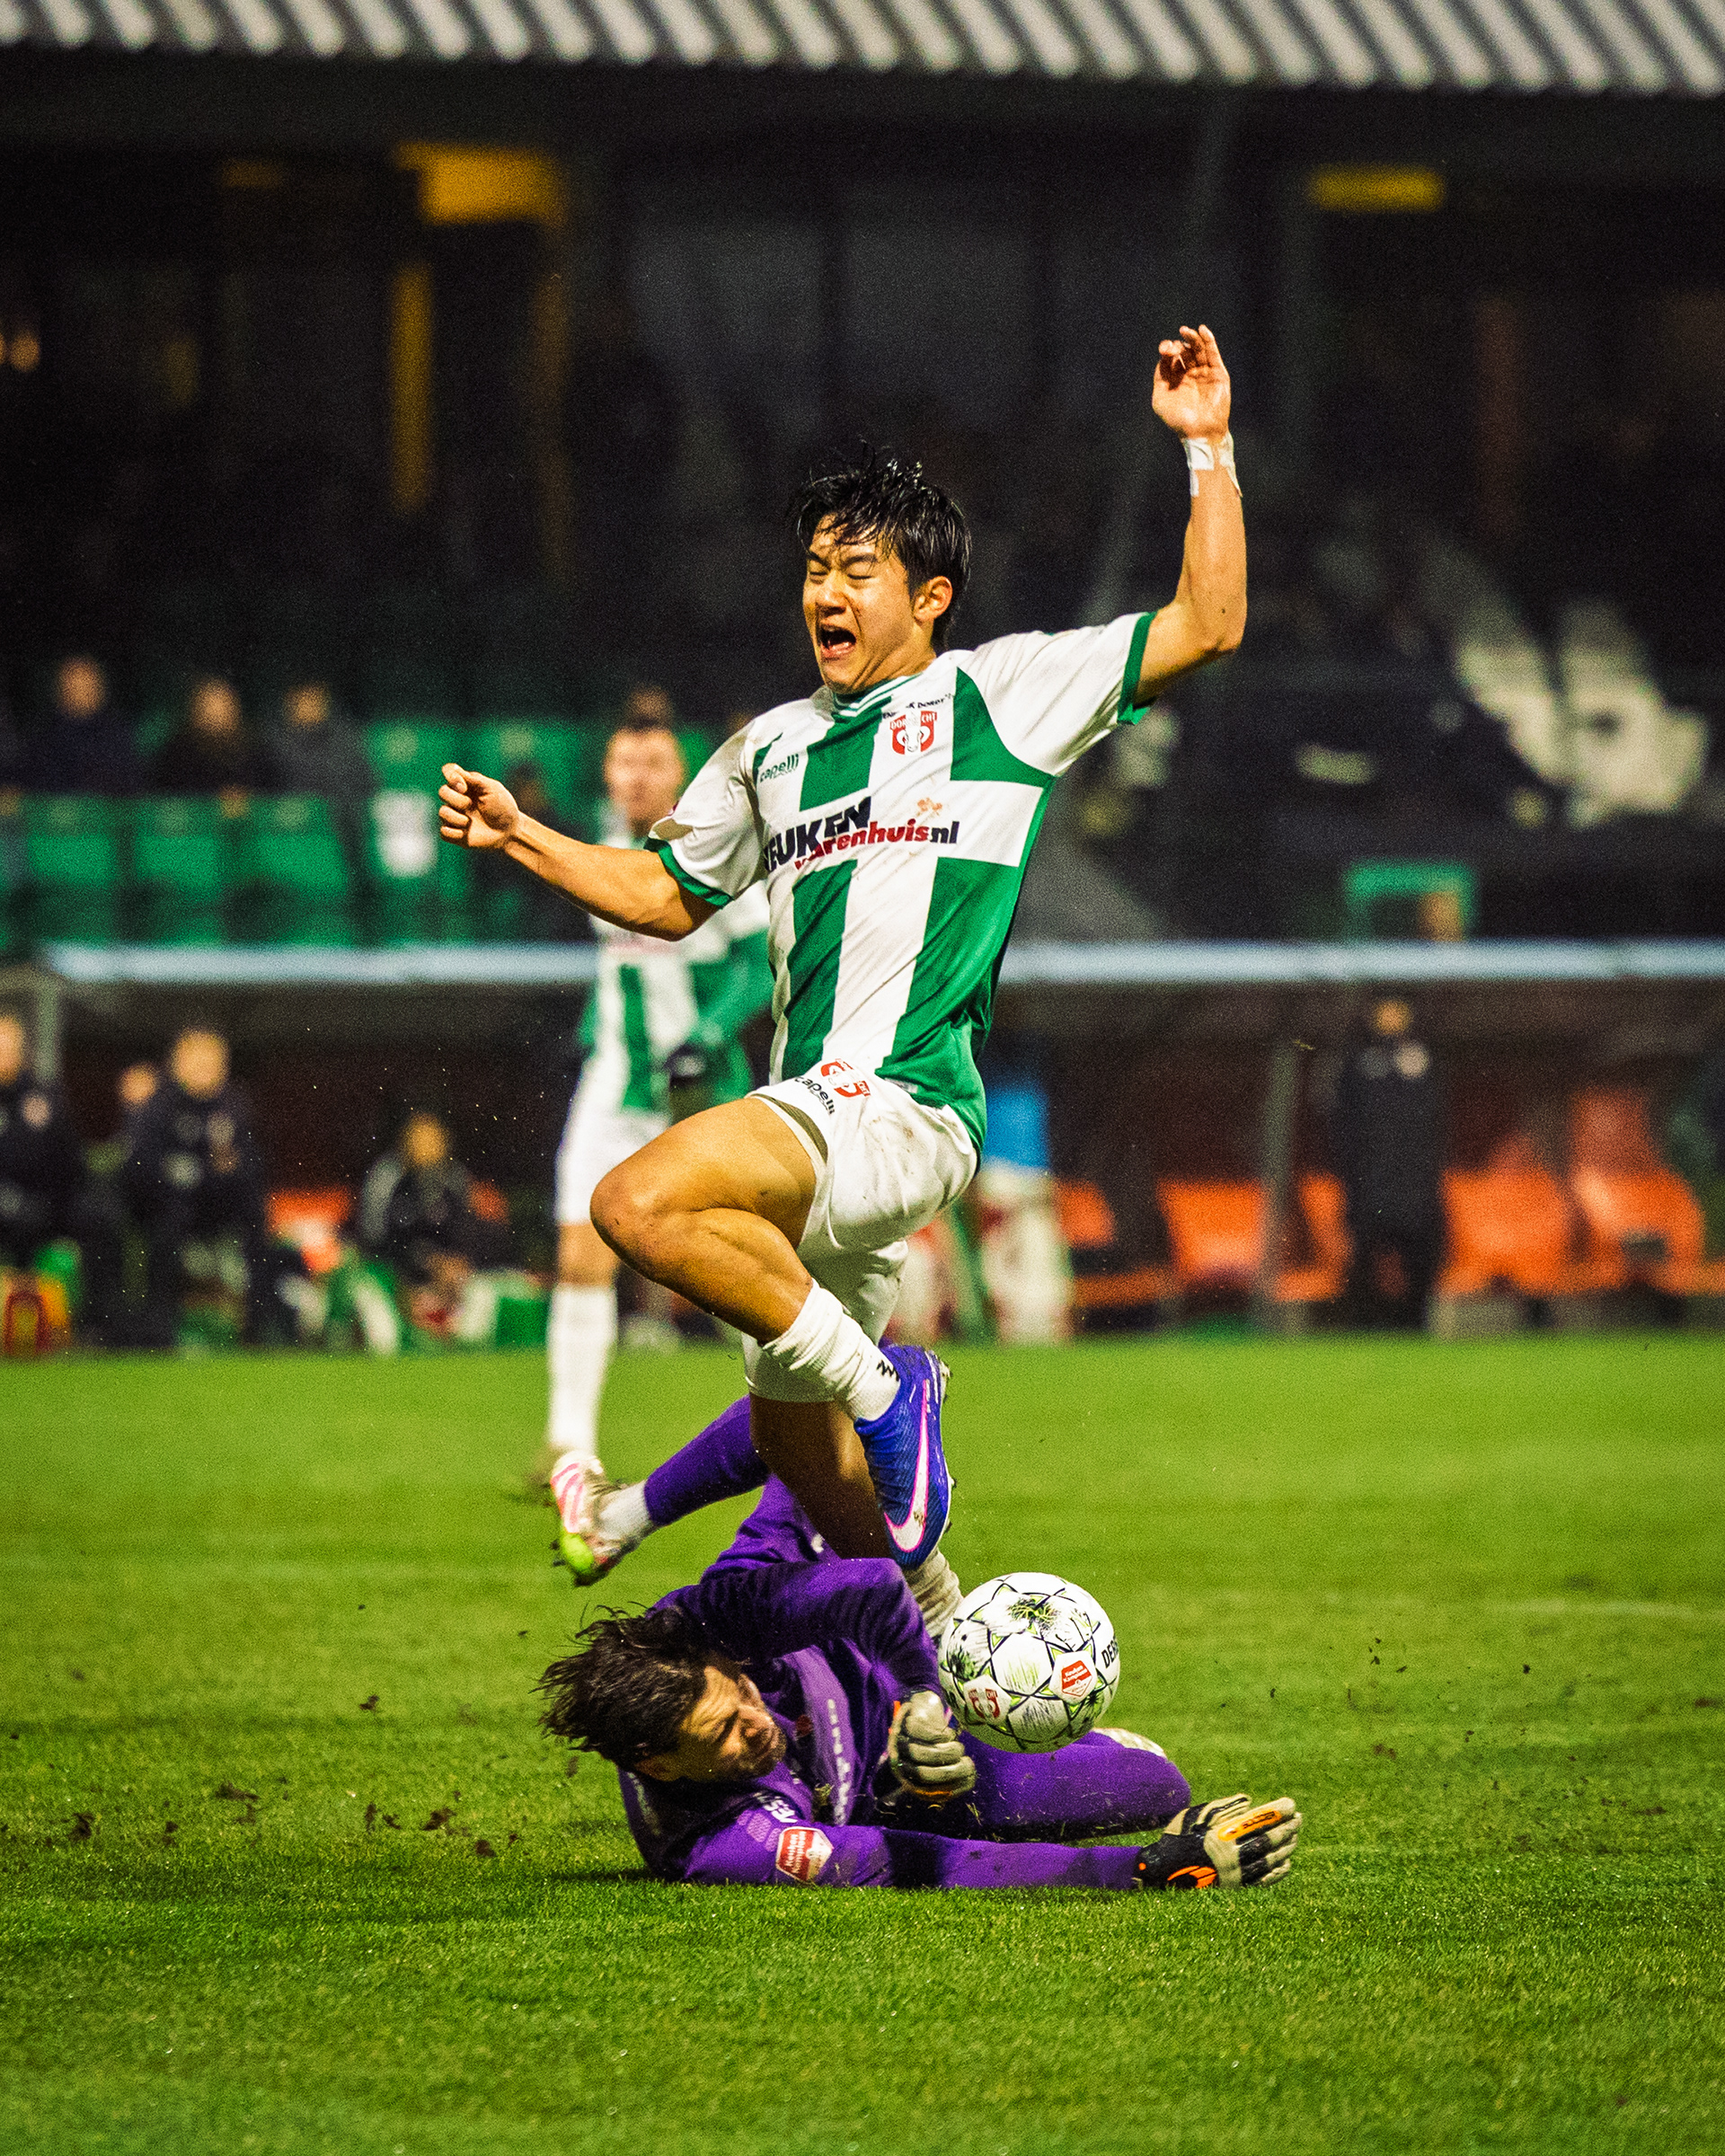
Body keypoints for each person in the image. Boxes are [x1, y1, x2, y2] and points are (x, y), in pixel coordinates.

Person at [440, 324, 1245, 1586]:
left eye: (858, 572)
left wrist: (1207, 446)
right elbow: (663, 896)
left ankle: (886, 1387)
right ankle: (939, 1644)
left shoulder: (1000, 698)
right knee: (794, 1446)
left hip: (903, 1102)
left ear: (931, 598)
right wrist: (524, 837)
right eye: (815, 569)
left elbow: (1210, 619)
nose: (826, 593)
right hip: (817, 1118)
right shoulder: (768, 748)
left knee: (635, 1202)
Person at [538, 1450, 1300, 1895]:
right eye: (725, 1735)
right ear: (659, 1765)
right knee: (1156, 1787)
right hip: (914, 1792)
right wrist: (1140, 1870)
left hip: (901, 1669)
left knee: (827, 1431)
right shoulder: (728, 1844)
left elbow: (867, 1580)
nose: (757, 1720)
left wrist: (919, 1699)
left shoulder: (710, 1621)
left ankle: (624, 1514)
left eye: (740, 1690)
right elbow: (931, 1865)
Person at [543, 716, 772, 1491]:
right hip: (617, 1084)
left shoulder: (713, 846)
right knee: (580, 1257)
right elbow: (621, 969)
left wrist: (705, 1035)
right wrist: (590, 1030)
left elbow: (756, 965)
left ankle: (808, 1425)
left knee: (743, 1270)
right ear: (608, 774)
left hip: (702, 1088)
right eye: (624, 761)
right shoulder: (603, 849)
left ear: (680, 776)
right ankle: (569, 1446)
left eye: (653, 762)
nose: (637, 776)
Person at [119, 1025, 271, 1346]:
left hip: (222, 1210)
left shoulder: (235, 1109)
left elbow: (251, 1168)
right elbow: (141, 1172)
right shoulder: (158, 1108)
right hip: (170, 1211)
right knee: (164, 1228)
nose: (205, 1068)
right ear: (178, 1063)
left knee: (257, 1222)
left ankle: (256, 1329)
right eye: (197, 1060)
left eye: (212, 1061)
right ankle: (158, 1331)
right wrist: (200, 1175)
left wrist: (208, 1175)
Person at [1331, 996, 1446, 1330]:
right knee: (1364, 1258)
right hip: (1370, 1184)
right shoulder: (1357, 1064)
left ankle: (1416, 1324)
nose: (1391, 1020)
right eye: (1385, 1013)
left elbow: (1438, 1126)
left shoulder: (1425, 1062)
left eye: (1398, 1013)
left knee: (1421, 1258)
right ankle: (1365, 1326)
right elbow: (1342, 1127)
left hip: (1416, 1186)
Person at [358, 1109, 511, 1301]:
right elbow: (376, 1237)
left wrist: (457, 1260)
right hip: (397, 1270)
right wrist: (427, 1262)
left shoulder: (455, 1176)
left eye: (432, 1139)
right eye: (418, 1138)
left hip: (448, 1273)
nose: (426, 1147)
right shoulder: (387, 1176)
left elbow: (466, 1230)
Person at [0, 1010, 86, 1270]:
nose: (5, 1054)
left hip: (39, 1205)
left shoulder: (43, 1095)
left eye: (11, 1047)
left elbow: (69, 1160)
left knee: (93, 1218)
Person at [260, 678, 375, 868]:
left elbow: (368, 782)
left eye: (314, 699)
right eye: (302, 701)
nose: (309, 707)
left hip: (342, 828)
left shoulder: (345, 739)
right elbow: (267, 792)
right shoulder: (272, 744)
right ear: (290, 704)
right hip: (291, 831)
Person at [26, 655, 143, 796]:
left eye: (86, 684)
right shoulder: (46, 737)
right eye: (73, 684)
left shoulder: (116, 736)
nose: (80, 691)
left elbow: (129, 788)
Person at [151, 676, 261, 800]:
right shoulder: (177, 752)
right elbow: (162, 792)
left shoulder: (253, 750)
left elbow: (268, 790)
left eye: (222, 704)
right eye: (209, 704)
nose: (215, 712)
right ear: (195, 709)